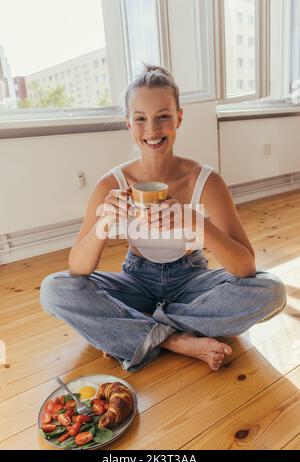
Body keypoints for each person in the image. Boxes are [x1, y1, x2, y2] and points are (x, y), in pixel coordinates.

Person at [40, 65, 286, 373]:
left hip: (191, 279)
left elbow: (245, 267)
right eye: (140, 118)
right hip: (136, 281)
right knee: (53, 290)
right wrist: (103, 226)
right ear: (128, 123)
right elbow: (77, 269)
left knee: (272, 291)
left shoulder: (206, 180)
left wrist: (193, 221)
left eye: (163, 116)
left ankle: (134, 332)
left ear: (179, 118)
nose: (152, 130)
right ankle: (176, 340)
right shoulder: (111, 184)